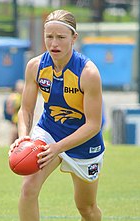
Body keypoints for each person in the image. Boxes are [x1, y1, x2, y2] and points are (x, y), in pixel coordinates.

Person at [9, 9, 105, 221]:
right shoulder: (35, 66)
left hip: (84, 142)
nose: (54, 43)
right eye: (49, 37)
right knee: (28, 190)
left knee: (86, 209)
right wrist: (24, 137)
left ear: (74, 38)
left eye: (61, 37)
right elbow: (25, 109)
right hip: (49, 132)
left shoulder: (88, 73)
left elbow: (93, 125)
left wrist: (58, 148)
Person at [4, 79, 24, 144]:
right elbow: (9, 108)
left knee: (21, 136)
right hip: (15, 119)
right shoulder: (14, 96)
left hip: (22, 119)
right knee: (14, 134)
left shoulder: (24, 96)